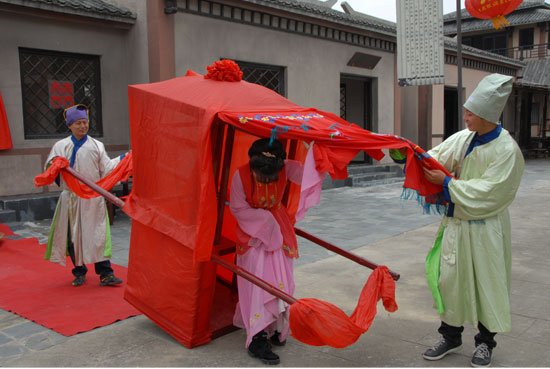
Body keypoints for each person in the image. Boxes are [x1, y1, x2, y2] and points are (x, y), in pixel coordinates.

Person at [410, 74, 524, 367]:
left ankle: (486, 343)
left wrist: (448, 184)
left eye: (470, 112)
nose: (466, 117)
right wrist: (409, 156)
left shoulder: (506, 150)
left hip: (486, 229)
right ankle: (450, 335)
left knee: (487, 283)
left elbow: (493, 192)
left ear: (487, 114)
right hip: (456, 224)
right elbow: (435, 158)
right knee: (449, 281)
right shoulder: (464, 138)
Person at [229, 137, 323, 365]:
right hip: (253, 233)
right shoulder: (240, 176)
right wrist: (266, 223)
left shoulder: (286, 167)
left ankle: (276, 327)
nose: (266, 180)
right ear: (252, 163)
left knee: (282, 279)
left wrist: (318, 154)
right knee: (256, 283)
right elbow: (238, 208)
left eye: (271, 177)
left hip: (279, 230)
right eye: (261, 175)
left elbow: (312, 175)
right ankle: (257, 337)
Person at [44, 104, 126, 287]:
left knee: (98, 235)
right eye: (79, 123)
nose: (83, 126)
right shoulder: (61, 146)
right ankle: (79, 272)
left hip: (92, 198)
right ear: (70, 125)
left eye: (85, 122)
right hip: (71, 198)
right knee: (74, 236)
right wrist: (55, 166)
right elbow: (49, 169)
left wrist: (124, 159)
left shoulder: (97, 145)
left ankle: (106, 273)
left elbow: (107, 169)